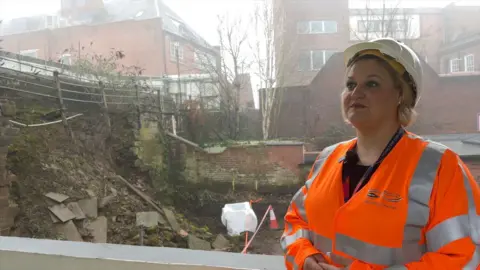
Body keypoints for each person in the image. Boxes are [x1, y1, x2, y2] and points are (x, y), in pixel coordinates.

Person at [280, 37, 480, 270]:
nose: (356, 92)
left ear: (400, 95)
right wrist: (305, 259)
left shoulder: (440, 167)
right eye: (350, 84)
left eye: (372, 84)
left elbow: (465, 257)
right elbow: (295, 222)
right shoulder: (327, 159)